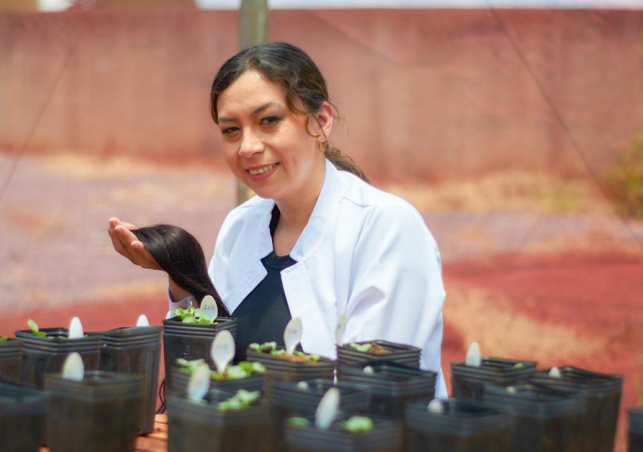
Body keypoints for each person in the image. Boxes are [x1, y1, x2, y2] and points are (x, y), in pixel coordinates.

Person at [109, 42, 447, 396]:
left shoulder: (386, 228)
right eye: (231, 130)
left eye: (268, 121)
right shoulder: (241, 226)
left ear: (321, 121)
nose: (247, 147)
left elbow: (371, 394)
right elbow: (208, 368)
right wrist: (180, 271)